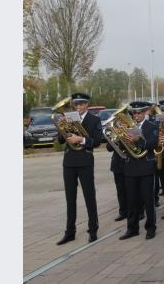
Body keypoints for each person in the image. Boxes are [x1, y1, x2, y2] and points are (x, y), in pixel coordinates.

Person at [56, 92, 104, 245]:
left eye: (81, 104)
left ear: (87, 104)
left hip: (85, 161)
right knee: (70, 198)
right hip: (69, 161)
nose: (78, 107)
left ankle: (93, 229)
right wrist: (62, 126)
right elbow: (60, 140)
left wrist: (81, 139)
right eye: (76, 104)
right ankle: (70, 232)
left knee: (89, 196)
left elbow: (97, 141)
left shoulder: (94, 119)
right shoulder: (69, 117)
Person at [119, 101, 160, 240]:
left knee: (148, 200)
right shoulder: (128, 127)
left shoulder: (152, 126)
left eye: (138, 112)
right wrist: (120, 138)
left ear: (145, 112)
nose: (136, 115)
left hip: (146, 167)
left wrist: (138, 140)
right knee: (131, 201)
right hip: (130, 167)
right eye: (133, 113)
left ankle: (150, 228)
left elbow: (154, 143)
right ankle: (132, 228)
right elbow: (122, 147)